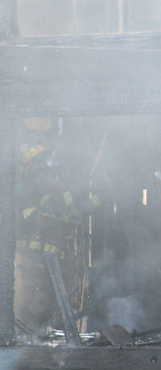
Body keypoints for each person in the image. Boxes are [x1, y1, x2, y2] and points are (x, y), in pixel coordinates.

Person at [14, 144, 86, 339]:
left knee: (46, 305)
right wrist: (38, 216)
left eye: (42, 162)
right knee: (30, 304)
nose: (39, 167)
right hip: (29, 259)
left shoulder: (57, 188)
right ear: (27, 166)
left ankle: (36, 340)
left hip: (54, 259)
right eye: (35, 163)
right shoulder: (19, 189)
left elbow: (72, 218)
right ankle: (23, 341)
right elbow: (16, 219)